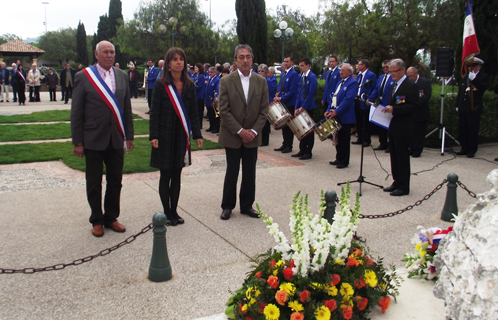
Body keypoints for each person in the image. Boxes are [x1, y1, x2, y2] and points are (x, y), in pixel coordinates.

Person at [70, 40, 135, 237]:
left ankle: (111, 217)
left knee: (116, 180)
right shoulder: (84, 76)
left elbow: (126, 109)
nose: (109, 55)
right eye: (105, 52)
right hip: (93, 138)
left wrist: (129, 136)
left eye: (112, 52)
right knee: (94, 182)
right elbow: (76, 112)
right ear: (97, 55)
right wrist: (78, 142)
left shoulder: (122, 76)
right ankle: (97, 219)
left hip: (116, 138)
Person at [149, 47, 203, 226]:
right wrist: (153, 135)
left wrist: (197, 134)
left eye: (181, 59)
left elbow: (194, 112)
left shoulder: (189, 84)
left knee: (177, 174)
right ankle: (166, 212)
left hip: (181, 135)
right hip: (164, 135)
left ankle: (174, 211)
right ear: (169, 63)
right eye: (175, 59)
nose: (179, 62)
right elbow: (155, 111)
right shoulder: (160, 83)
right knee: (165, 174)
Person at [218, 44, 269, 220]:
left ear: (252, 59)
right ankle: (227, 206)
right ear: (235, 60)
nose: (245, 60)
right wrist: (240, 131)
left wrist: (253, 131)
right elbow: (223, 110)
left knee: (249, 172)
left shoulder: (261, 82)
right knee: (232, 171)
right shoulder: (226, 81)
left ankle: (247, 205)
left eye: (248, 56)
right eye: (241, 57)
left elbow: (264, 111)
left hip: (252, 137)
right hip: (233, 135)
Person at [382, 59, 418, 196]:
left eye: (394, 71)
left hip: (404, 127)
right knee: (394, 156)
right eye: (390, 72)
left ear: (403, 70)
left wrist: (394, 109)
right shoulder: (395, 85)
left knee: (402, 157)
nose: (392, 74)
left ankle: (404, 186)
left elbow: (413, 106)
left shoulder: (410, 85)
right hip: (394, 126)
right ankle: (396, 181)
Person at [325, 63, 358, 168]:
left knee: (344, 139)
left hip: (345, 116)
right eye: (340, 70)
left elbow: (348, 100)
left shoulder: (353, 83)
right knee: (337, 138)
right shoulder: (340, 82)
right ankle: (338, 158)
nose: (341, 72)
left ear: (349, 72)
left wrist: (337, 111)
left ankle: (344, 160)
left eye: (343, 70)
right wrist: (329, 109)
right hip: (336, 114)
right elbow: (334, 97)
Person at [455, 57, 489, 158]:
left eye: (473, 66)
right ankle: (464, 148)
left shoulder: (482, 77)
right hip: (464, 107)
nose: (471, 68)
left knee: (472, 130)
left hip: (474, 108)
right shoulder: (466, 77)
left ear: (479, 66)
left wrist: (474, 79)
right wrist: (457, 104)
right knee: (463, 129)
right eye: (469, 66)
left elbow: (482, 88)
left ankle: (471, 149)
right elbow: (461, 92)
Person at [292, 57, 318, 160]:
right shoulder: (301, 76)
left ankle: (308, 151)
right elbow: (298, 93)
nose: (300, 67)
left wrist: (304, 107)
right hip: (301, 107)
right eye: (300, 65)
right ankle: (302, 149)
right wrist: (297, 107)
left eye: (302, 65)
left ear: (308, 65)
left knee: (309, 130)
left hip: (308, 107)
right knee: (301, 129)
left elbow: (311, 94)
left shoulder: (312, 77)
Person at [273, 55, 299, 153]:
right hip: (282, 103)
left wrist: (281, 97)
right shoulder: (284, 74)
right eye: (284, 61)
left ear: (292, 62)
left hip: (290, 103)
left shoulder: (294, 74)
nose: (286, 63)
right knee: (284, 125)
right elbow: (280, 87)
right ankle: (284, 144)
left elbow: (293, 91)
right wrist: (277, 95)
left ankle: (289, 145)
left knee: (289, 126)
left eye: (288, 61)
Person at [367, 60, 394, 152]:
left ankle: (391, 145)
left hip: (389, 104)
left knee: (390, 126)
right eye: (384, 67)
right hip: (381, 103)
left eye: (387, 67)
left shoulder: (394, 77)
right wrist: (370, 99)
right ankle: (383, 143)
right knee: (381, 125)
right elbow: (376, 89)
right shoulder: (381, 77)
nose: (386, 69)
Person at [406, 66, 432, 157]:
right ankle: (411, 148)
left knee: (419, 133)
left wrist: (415, 103)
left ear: (416, 74)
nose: (410, 78)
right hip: (411, 113)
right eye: (408, 76)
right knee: (411, 132)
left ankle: (417, 150)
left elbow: (427, 95)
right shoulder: (408, 83)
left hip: (421, 112)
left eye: (411, 76)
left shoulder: (424, 82)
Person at [353, 59, 377, 147]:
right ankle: (360, 137)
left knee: (365, 121)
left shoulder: (371, 75)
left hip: (365, 101)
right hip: (358, 100)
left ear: (364, 65)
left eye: (359, 64)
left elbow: (375, 87)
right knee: (358, 120)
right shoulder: (359, 76)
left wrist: (370, 98)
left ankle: (367, 139)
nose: (358, 66)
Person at [258, 64, 277, 146]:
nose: (260, 72)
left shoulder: (267, 81)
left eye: (262, 71)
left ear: (265, 72)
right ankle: (260, 139)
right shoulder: (258, 80)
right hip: (259, 102)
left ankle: (265, 141)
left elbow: (268, 93)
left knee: (265, 122)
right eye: (259, 71)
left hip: (265, 103)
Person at [205, 66, 220, 133]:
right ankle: (211, 127)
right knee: (210, 114)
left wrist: (215, 99)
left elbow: (217, 89)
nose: (210, 73)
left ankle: (216, 128)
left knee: (215, 114)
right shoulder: (209, 79)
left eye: (211, 72)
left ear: (215, 72)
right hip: (208, 99)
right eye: (209, 72)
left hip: (213, 99)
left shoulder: (217, 79)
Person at [193, 63, 206, 128]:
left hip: (199, 96)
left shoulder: (201, 76)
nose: (195, 69)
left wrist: (192, 87)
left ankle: (199, 125)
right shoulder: (196, 75)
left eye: (196, 68)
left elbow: (199, 86)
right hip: (196, 95)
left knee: (199, 111)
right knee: (196, 111)